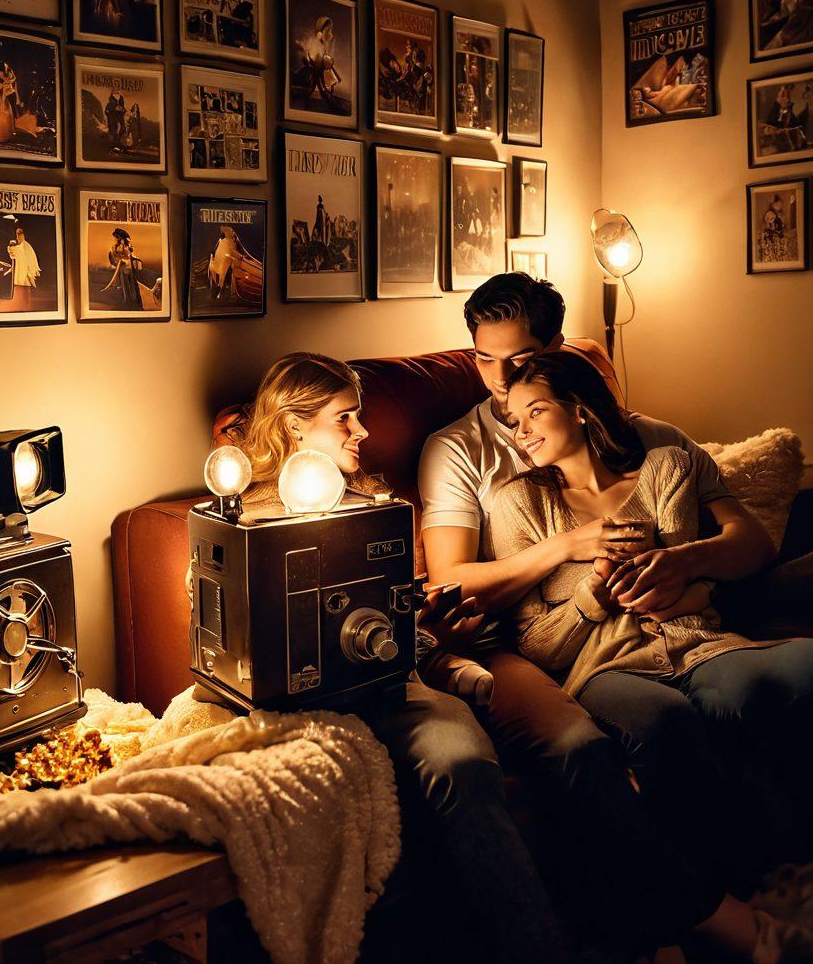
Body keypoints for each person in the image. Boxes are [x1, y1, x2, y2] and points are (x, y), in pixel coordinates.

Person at [417, 272, 782, 951]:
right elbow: (451, 586)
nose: (500, 382)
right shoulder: (458, 450)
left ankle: (736, 890)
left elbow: (745, 540)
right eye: (484, 358)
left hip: (668, 627)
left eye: (519, 359)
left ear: (560, 352)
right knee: (587, 744)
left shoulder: (648, 439)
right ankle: (711, 918)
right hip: (520, 641)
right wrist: (568, 548)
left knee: (739, 693)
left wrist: (686, 562)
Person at [220, 351, 566, 963]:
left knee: (460, 763)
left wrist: (432, 634)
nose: (363, 432)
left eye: (361, 417)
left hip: (395, 683)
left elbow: (396, 623)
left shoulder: (375, 503)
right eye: (344, 419)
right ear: (295, 426)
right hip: (301, 705)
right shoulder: (243, 519)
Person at [490, 349, 813, 964]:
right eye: (513, 419)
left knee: (802, 670)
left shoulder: (664, 466)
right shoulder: (516, 505)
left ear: (580, 411)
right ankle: (715, 909)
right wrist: (589, 596)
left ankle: (774, 874)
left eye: (535, 411)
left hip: (699, 644)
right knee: (663, 722)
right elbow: (533, 643)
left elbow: (688, 575)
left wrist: (679, 579)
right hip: (604, 668)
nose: (521, 430)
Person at [7, 225, 40, 311]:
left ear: (24, 236)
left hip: (25, 271)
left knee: (24, 289)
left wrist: (11, 248)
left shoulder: (26, 246)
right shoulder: (21, 246)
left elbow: (16, 252)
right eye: (17, 235)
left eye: (20, 235)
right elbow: (13, 255)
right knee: (19, 289)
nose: (18, 237)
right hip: (20, 271)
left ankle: (25, 307)